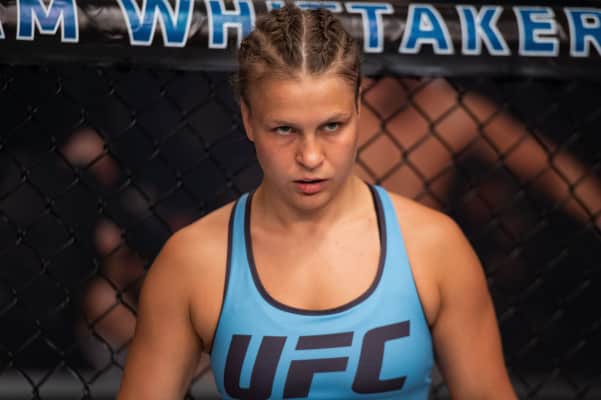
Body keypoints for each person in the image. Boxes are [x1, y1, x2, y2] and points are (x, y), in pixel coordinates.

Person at [118, 4, 517, 399]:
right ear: (248, 120)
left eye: (332, 126)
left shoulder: (433, 246)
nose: (310, 157)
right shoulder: (192, 260)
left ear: (359, 109)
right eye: (284, 129)